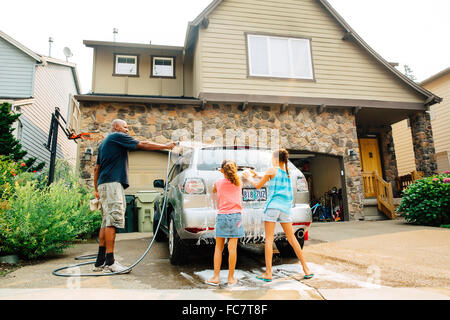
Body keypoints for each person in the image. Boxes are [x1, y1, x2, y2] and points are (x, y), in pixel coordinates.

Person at [93, 119, 176, 273]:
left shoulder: (105, 143)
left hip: (104, 185)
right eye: (125, 127)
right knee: (112, 221)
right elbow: (142, 144)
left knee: (105, 222)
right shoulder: (116, 136)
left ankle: (100, 262)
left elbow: (96, 168)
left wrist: (96, 189)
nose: (127, 130)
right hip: (112, 184)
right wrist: (165, 146)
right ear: (116, 127)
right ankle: (111, 262)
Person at [243, 149, 314, 281]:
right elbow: (270, 175)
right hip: (285, 209)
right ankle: (306, 268)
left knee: (269, 239)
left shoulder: (271, 170)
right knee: (292, 239)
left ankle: (268, 273)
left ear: (275, 159)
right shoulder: (287, 173)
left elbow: (258, 185)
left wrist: (249, 178)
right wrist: (257, 174)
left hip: (272, 208)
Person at [206, 160, 244, 286]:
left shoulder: (218, 183)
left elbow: (213, 191)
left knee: (218, 248)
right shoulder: (239, 183)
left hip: (222, 216)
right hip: (236, 217)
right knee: (232, 249)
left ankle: (216, 277)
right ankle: (231, 278)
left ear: (222, 170)